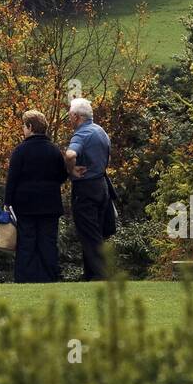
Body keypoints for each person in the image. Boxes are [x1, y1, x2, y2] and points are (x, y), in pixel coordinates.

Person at [3, 109, 68, 282]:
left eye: (24, 126)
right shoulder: (54, 150)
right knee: (48, 243)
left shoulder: (20, 151)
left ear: (30, 127)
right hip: (50, 204)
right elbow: (63, 175)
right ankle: (50, 277)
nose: (23, 129)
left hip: (25, 205)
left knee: (26, 243)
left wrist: (7, 203)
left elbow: (12, 179)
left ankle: (24, 278)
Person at [63, 97, 114, 281]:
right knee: (95, 230)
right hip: (102, 186)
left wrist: (71, 170)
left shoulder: (81, 134)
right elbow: (107, 158)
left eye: (70, 114)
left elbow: (70, 155)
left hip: (85, 188)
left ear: (77, 116)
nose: (69, 118)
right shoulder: (101, 131)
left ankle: (101, 275)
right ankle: (90, 275)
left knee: (89, 234)